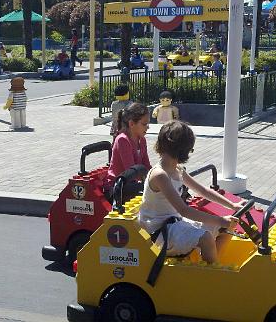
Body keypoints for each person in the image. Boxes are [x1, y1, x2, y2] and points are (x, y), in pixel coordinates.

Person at [139, 120, 243, 263]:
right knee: (206, 238)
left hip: (174, 223)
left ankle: (213, 265)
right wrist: (220, 220)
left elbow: (202, 190)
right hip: (159, 232)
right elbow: (184, 210)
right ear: (184, 150)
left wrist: (232, 206)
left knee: (227, 229)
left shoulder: (177, 170)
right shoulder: (160, 175)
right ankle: (213, 276)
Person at [104, 102, 152, 201]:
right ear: (131, 124)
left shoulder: (142, 140)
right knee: (151, 191)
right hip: (117, 187)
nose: (147, 127)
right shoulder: (123, 140)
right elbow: (131, 172)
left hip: (131, 184)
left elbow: (147, 165)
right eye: (144, 124)